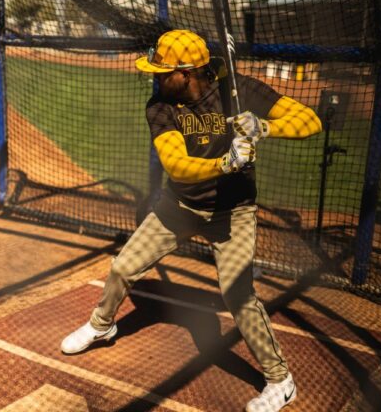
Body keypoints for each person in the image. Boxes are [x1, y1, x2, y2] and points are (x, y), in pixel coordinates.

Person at [60, 29, 322, 412]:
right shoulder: (160, 106)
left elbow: (310, 120)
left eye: (162, 72)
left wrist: (264, 127)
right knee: (122, 268)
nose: (155, 77)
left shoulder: (238, 90)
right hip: (178, 208)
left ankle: (281, 381)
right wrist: (225, 162)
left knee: (238, 296)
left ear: (186, 73)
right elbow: (176, 166)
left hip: (233, 213)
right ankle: (103, 325)